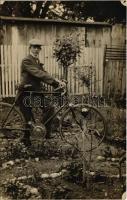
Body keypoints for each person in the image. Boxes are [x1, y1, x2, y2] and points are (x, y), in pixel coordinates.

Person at [17, 38, 65, 146]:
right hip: (26, 92)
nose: (37, 50)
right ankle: (26, 140)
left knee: (50, 108)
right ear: (30, 48)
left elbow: (44, 73)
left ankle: (44, 132)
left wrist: (57, 81)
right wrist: (55, 83)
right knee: (27, 117)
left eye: (38, 48)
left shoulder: (37, 61)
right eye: (34, 47)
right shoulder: (27, 60)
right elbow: (39, 73)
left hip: (35, 92)